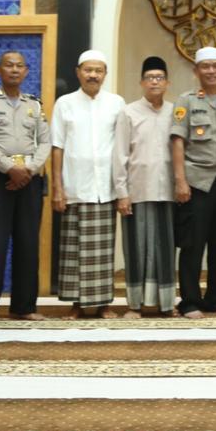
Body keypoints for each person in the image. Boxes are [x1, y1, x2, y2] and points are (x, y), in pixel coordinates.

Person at [0, 51, 51, 328]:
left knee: (28, 243)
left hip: (29, 179)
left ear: (26, 71)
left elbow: (45, 142)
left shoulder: (34, 105)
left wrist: (29, 169)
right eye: (9, 65)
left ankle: (24, 307)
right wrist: (8, 168)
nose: (14, 70)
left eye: (19, 66)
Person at [50, 49, 125, 319]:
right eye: (88, 70)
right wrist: (58, 188)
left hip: (105, 188)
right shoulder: (65, 103)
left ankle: (104, 304)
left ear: (105, 74)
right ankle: (77, 305)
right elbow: (57, 146)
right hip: (75, 187)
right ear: (78, 73)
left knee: (103, 252)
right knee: (74, 250)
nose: (93, 75)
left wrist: (122, 188)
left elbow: (122, 146)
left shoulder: (116, 103)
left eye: (98, 70)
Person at [170, 46, 216, 319]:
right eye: (205, 66)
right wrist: (180, 181)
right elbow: (177, 141)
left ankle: (215, 299)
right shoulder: (185, 101)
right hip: (197, 183)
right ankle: (189, 301)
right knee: (193, 245)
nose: (211, 71)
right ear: (196, 71)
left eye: (215, 66)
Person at [114, 56, 177, 318]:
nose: (154, 82)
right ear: (141, 82)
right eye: (150, 78)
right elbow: (119, 154)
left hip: (168, 192)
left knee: (165, 249)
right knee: (136, 249)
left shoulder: (175, 111)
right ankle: (135, 305)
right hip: (137, 190)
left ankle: (166, 304)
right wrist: (122, 193)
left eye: (159, 78)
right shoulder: (129, 112)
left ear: (167, 83)